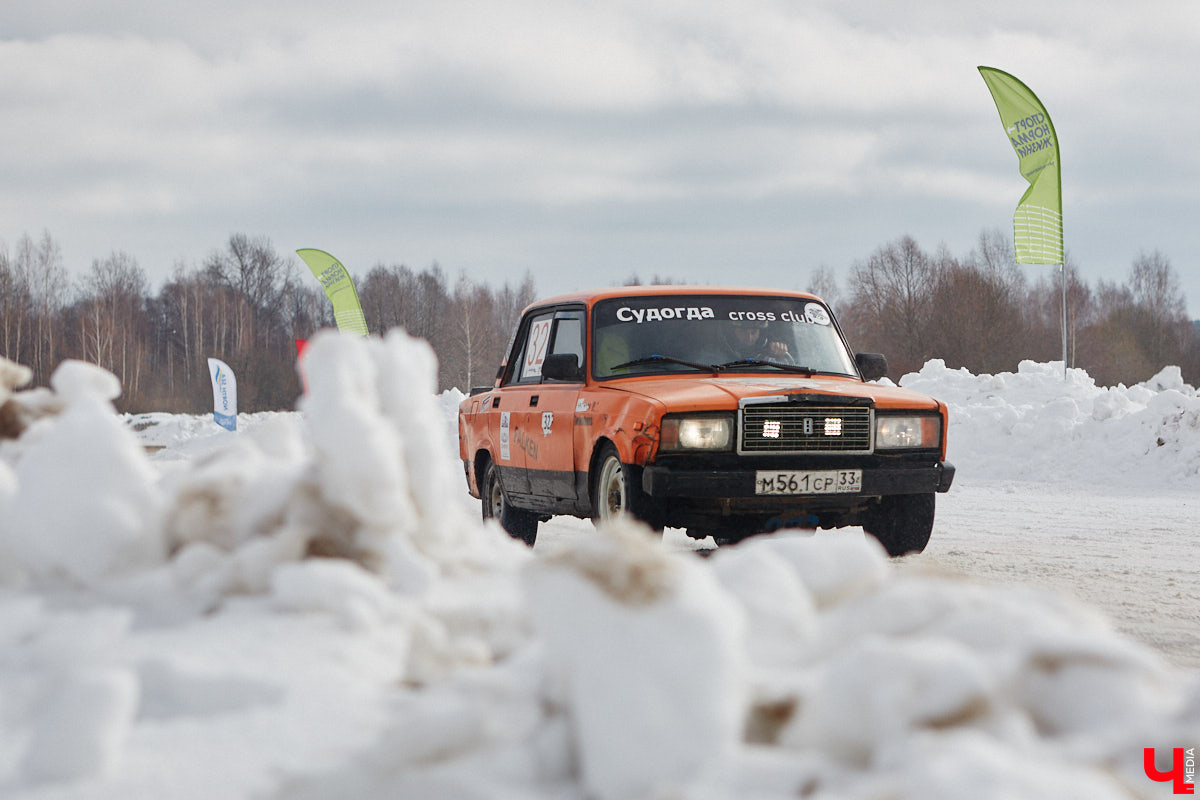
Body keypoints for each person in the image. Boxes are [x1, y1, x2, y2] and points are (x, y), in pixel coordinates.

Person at [724, 318, 793, 362]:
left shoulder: (772, 355)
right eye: (742, 331)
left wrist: (780, 354)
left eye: (754, 332)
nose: (749, 337)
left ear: (760, 333)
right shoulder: (716, 355)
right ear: (732, 332)